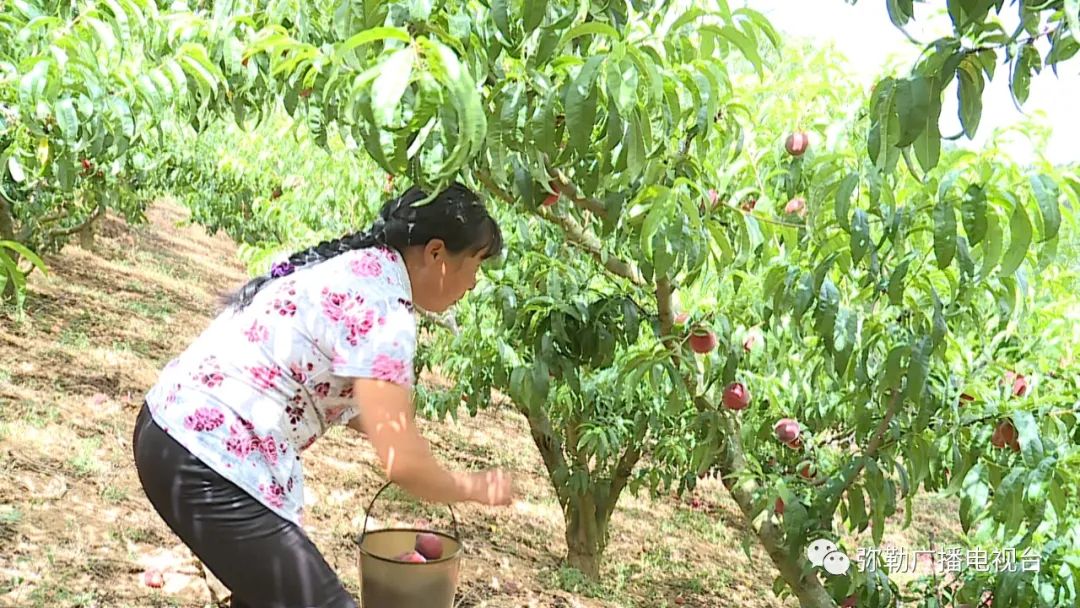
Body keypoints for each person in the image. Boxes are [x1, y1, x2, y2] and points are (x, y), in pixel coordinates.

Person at [132, 182, 515, 608]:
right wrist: (472, 486)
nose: (475, 282)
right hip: (206, 459)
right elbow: (402, 464)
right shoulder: (386, 312)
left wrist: (411, 445)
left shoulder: (361, 269)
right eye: (476, 264)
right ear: (437, 253)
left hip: (171, 429)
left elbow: (366, 413)